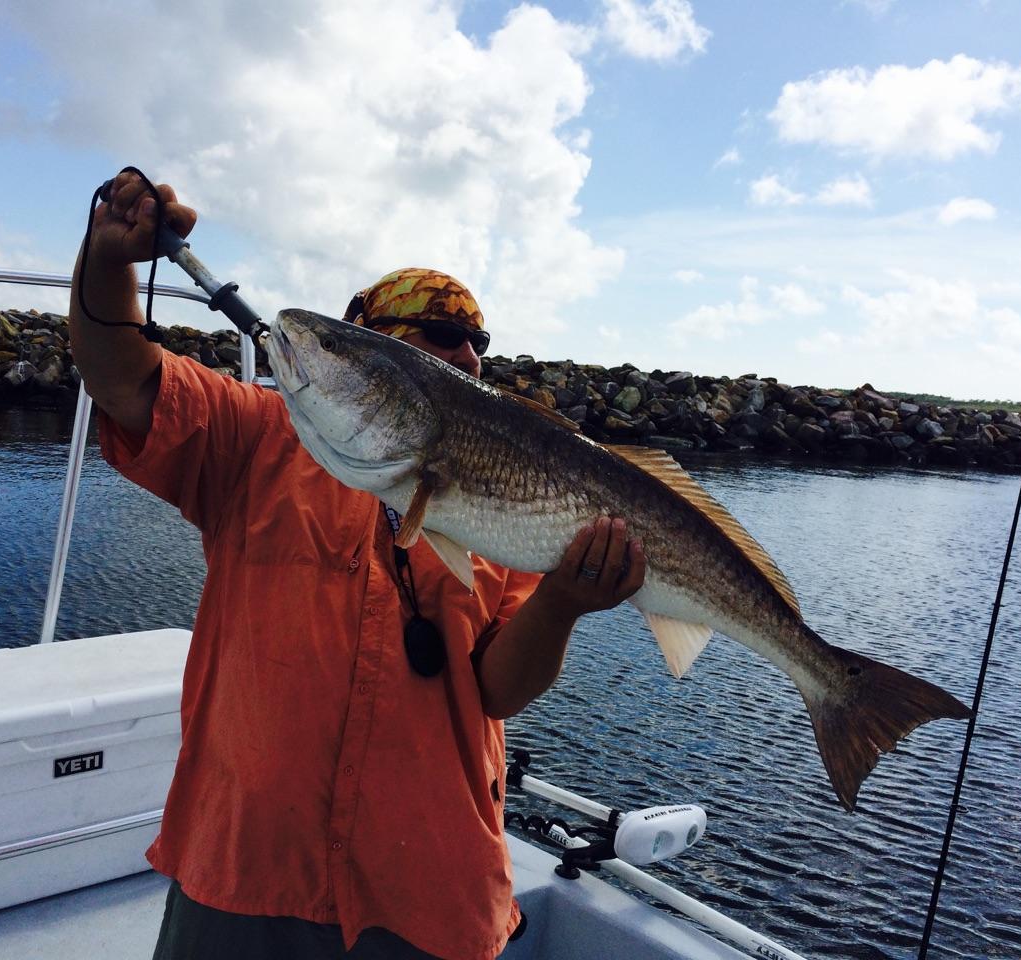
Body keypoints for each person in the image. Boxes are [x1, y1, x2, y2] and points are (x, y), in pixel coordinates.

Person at [68, 171, 647, 960]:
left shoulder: (504, 494)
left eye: (478, 340)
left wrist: (566, 604)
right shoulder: (253, 439)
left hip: (427, 885)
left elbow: (498, 689)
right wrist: (109, 259)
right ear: (362, 341)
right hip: (244, 866)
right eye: (439, 332)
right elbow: (121, 375)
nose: (467, 354)